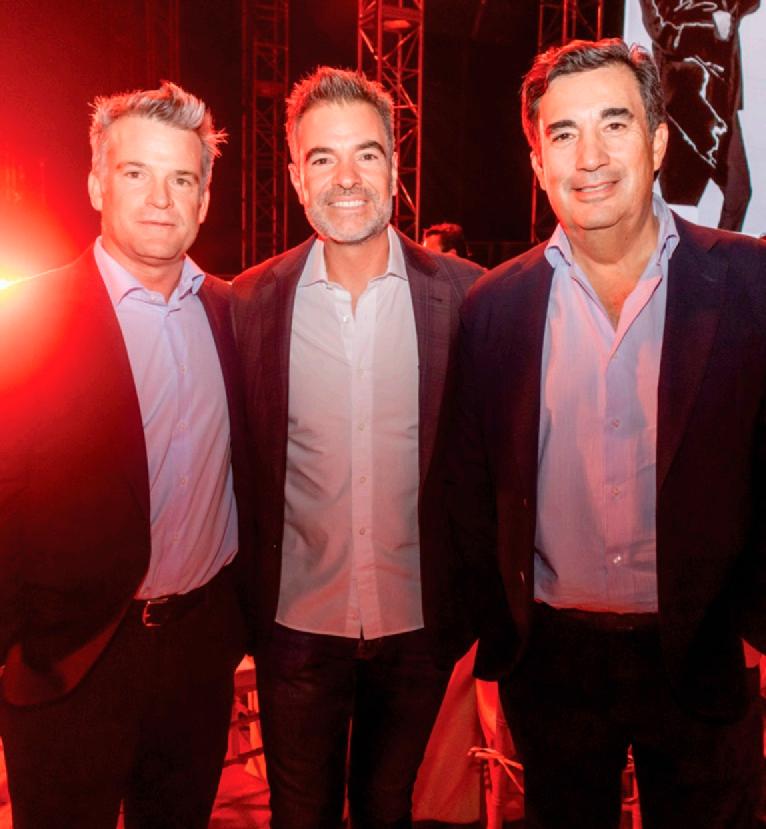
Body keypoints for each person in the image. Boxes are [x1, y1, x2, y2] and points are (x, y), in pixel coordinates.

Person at [447, 37, 766, 828]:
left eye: (614, 124)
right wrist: (503, 632)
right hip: (554, 665)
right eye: (563, 133)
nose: (588, 156)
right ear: (538, 163)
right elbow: (469, 492)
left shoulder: (750, 282)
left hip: (703, 655)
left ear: (657, 142)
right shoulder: (494, 308)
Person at [231, 66, 482, 829]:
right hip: (296, 628)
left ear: (396, 167)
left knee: (386, 809)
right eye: (322, 157)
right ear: (296, 177)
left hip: (418, 628)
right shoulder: (248, 304)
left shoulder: (468, 298)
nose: (346, 177)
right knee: (299, 816)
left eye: (366, 154)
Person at [0, 82, 252, 829]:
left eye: (182, 179)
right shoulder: (22, 320)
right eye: (136, 172)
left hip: (198, 658)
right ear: (95, 184)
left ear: (204, 199)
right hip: (69, 663)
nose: (160, 199)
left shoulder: (235, 315)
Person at [638, 0, 760, 231]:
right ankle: (676, 253)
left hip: (723, 97)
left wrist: (728, 14)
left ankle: (720, 252)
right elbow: (661, 30)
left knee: (738, 191)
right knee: (681, 202)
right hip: (686, 100)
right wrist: (710, 25)